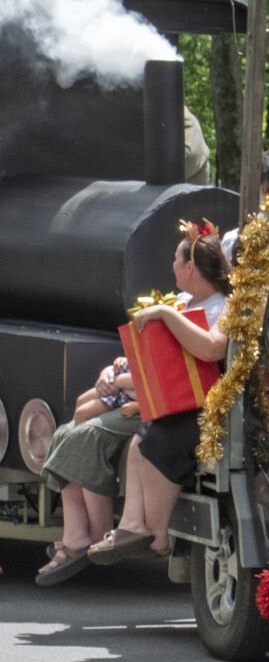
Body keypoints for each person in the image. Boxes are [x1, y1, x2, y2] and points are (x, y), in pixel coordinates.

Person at [88, 222, 232, 566]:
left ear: (190, 267)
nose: (171, 265)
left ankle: (157, 536)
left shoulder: (227, 306)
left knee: (157, 442)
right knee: (139, 441)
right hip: (182, 402)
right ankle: (132, 526)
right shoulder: (184, 300)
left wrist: (165, 313)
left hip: (213, 408)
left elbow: (212, 349)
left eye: (176, 260)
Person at [34, 356, 143, 584]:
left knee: (86, 435)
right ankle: (75, 536)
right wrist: (108, 373)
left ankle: (99, 533)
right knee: (64, 434)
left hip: (148, 397)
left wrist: (118, 380)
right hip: (128, 387)